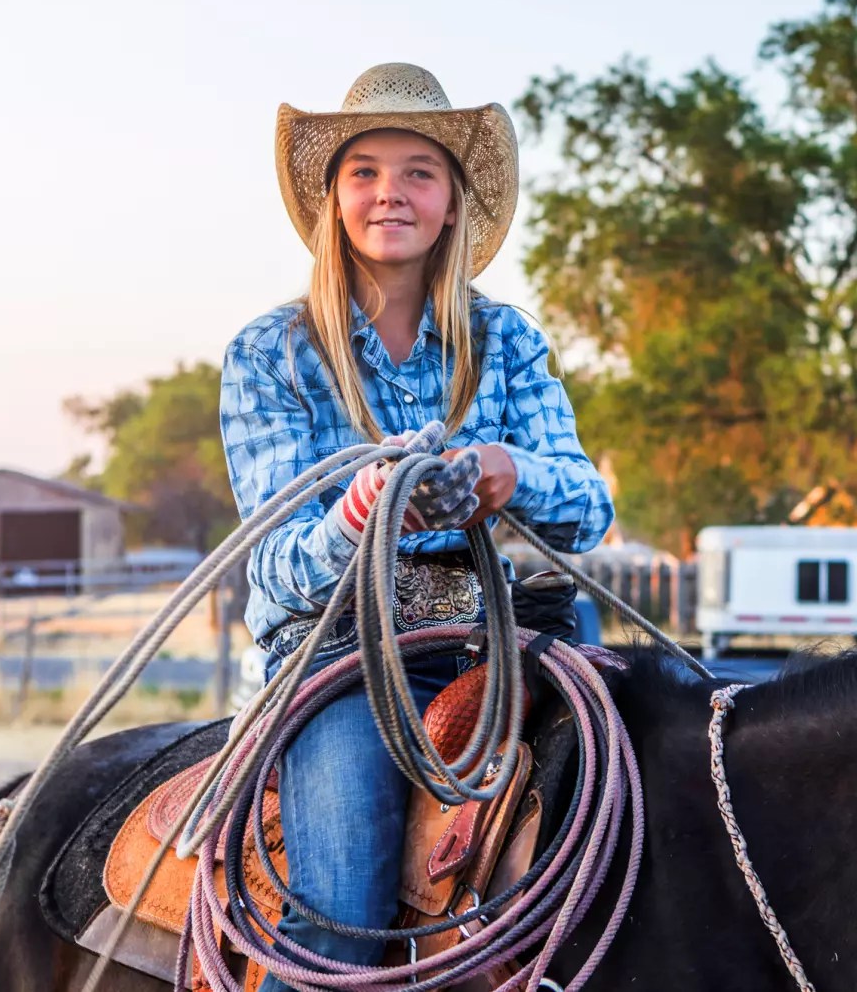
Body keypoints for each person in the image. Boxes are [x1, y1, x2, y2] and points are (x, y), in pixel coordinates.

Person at [219, 62, 614, 985]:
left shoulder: (506, 339)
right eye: (364, 170)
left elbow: (588, 507)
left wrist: (506, 471)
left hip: (492, 639)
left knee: (652, 795)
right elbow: (274, 567)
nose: (389, 191)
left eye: (418, 171)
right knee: (345, 906)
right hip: (340, 653)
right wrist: (360, 514)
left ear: (451, 204)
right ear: (333, 199)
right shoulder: (270, 354)